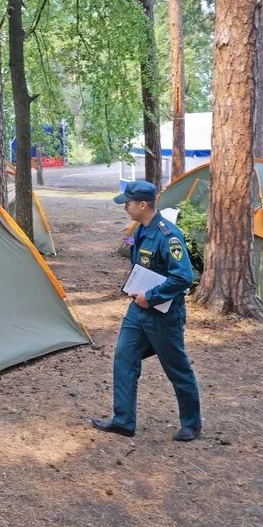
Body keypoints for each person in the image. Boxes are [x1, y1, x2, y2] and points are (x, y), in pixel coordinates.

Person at [90, 180, 202, 442]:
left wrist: (151, 297)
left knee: (177, 368)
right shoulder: (141, 230)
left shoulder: (167, 235)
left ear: (142, 204)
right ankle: (123, 420)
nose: (125, 207)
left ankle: (191, 423)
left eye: (128, 203)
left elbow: (184, 277)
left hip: (162, 315)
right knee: (124, 359)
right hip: (137, 311)